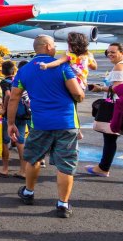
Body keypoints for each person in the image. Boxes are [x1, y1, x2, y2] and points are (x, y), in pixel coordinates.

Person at [7, 35, 85, 219]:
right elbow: (78, 94)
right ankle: (63, 204)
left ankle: (28, 192)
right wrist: (78, 94)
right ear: (48, 46)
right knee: (65, 165)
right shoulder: (63, 67)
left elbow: (14, 97)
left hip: (40, 123)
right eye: (54, 45)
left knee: (34, 158)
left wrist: (11, 123)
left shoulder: (24, 70)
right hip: (66, 122)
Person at [84, 43, 123, 177]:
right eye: (108, 52)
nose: (109, 54)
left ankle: (105, 168)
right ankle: (104, 167)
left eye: (113, 52)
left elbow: (117, 88)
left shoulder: (120, 66)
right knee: (116, 138)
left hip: (117, 107)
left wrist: (100, 88)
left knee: (117, 139)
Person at [39, 32, 97, 140]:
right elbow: (94, 67)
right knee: (73, 106)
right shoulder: (87, 55)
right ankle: (77, 130)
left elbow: (58, 62)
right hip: (82, 85)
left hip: (71, 83)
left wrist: (46, 65)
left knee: (69, 106)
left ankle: (76, 130)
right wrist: (91, 58)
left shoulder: (69, 55)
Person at [0, 60, 28, 179]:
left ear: (2, 72)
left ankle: (5, 169)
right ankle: (23, 170)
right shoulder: (19, 80)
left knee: (5, 141)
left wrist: (4, 108)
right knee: (20, 140)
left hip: (11, 113)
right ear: (14, 70)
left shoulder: (5, 82)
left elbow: (8, 95)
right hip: (22, 112)